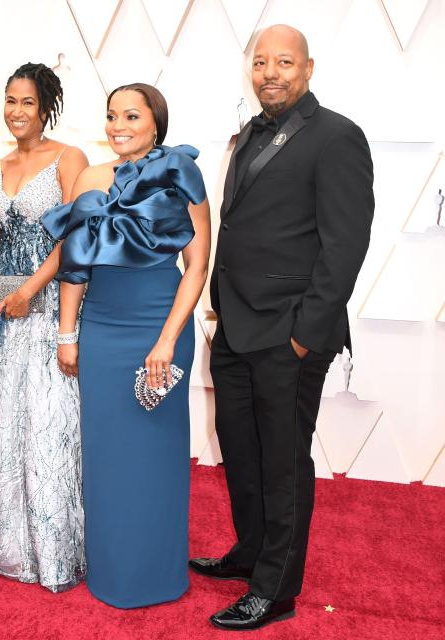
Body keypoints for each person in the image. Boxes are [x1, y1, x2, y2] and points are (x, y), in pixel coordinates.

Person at [191, 25, 373, 631]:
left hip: (289, 332)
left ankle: (276, 588)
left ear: (309, 68)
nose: (270, 72)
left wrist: (304, 334)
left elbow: (344, 247)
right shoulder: (247, 134)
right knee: (240, 451)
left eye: (284, 62)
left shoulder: (338, 137)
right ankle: (250, 551)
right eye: (261, 62)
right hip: (237, 324)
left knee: (283, 461)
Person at [42, 83, 211, 608]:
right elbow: (74, 266)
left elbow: (197, 265)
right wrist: (68, 333)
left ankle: (157, 572)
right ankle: (113, 569)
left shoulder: (182, 172)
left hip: (160, 327)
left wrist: (167, 340)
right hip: (102, 330)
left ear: (155, 123)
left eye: (131, 116)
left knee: (155, 454)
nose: (118, 125)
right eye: (112, 115)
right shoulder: (91, 178)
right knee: (107, 455)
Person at [0, 63, 88, 591]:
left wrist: (31, 291)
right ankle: (1, 545)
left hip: (48, 300)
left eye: (27, 102)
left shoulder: (67, 158)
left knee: (47, 421)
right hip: (0, 309)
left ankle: (53, 552)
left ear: (46, 105)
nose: (16, 111)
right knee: (0, 420)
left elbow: (77, 235)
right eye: (10, 100)